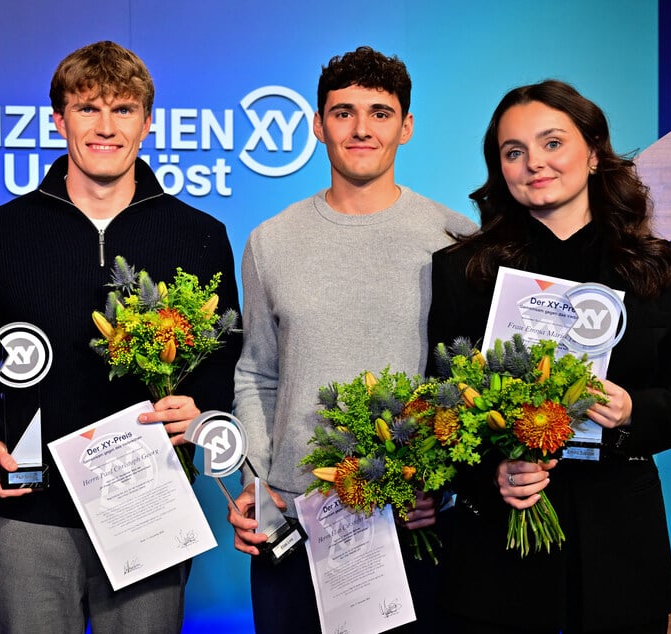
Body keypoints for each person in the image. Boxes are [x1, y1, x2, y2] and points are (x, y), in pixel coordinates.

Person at [0, 41, 241, 634]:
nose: (106, 128)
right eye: (87, 109)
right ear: (59, 119)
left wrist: (201, 408)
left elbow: (225, 355)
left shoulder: (201, 235)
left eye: (123, 110)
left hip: (149, 507)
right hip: (32, 512)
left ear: (149, 123)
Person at [427, 79, 671, 633]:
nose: (535, 163)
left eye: (552, 143)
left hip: (621, 555)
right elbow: (442, 407)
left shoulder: (665, 270)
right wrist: (494, 472)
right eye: (514, 152)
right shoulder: (463, 271)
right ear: (500, 170)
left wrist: (629, 411)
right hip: (498, 558)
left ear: (594, 152)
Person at [228, 46, 476, 633]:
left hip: (412, 519)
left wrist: (441, 487)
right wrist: (257, 486)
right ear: (317, 125)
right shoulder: (270, 240)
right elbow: (257, 372)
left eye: (380, 112)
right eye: (343, 113)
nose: (361, 129)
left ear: (406, 127)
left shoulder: (456, 239)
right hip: (296, 520)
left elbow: (469, 384)